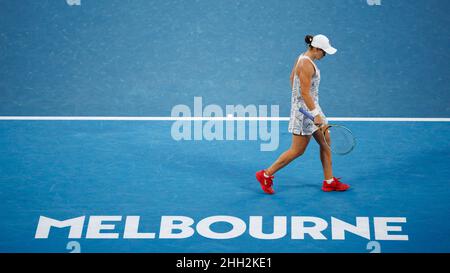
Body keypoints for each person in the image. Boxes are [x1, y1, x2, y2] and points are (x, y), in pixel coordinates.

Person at [256, 34, 350, 194]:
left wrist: (298, 100)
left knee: (326, 141)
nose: (324, 55)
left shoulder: (302, 57)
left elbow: (292, 78)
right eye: (324, 52)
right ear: (316, 49)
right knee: (298, 150)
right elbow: (305, 92)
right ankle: (265, 174)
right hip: (306, 113)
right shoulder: (306, 64)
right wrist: (312, 112)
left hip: (311, 107)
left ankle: (329, 181)